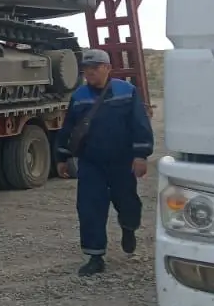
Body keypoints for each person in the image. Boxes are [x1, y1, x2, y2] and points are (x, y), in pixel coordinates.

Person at [54, 49, 154, 277]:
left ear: (108, 68)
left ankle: (128, 228)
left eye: (95, 68)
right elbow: (69, 129)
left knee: (127, 202)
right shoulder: (79, 96)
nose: (89, 72)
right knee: (90, 208)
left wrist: (141, 155)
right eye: (86, 69)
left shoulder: (126, 91)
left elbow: (140, 124)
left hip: (122, 161)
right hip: (91, 163)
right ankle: (95, 256)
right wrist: (61, 158)